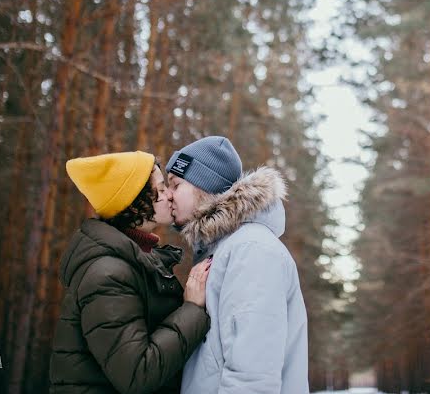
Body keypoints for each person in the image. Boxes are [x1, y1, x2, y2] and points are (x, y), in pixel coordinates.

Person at [49, 150, 212, 394]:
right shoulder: (107, 275)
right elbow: (137, 373)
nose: (169, 195)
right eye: (160, 188)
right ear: (135, 201)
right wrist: (192, 310)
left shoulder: (136, 259)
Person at [163, 136, 308, 393]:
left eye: (175, 185)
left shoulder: (251, 250)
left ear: (202, 184)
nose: (168, 196)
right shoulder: (225, 249)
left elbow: (252, 376)